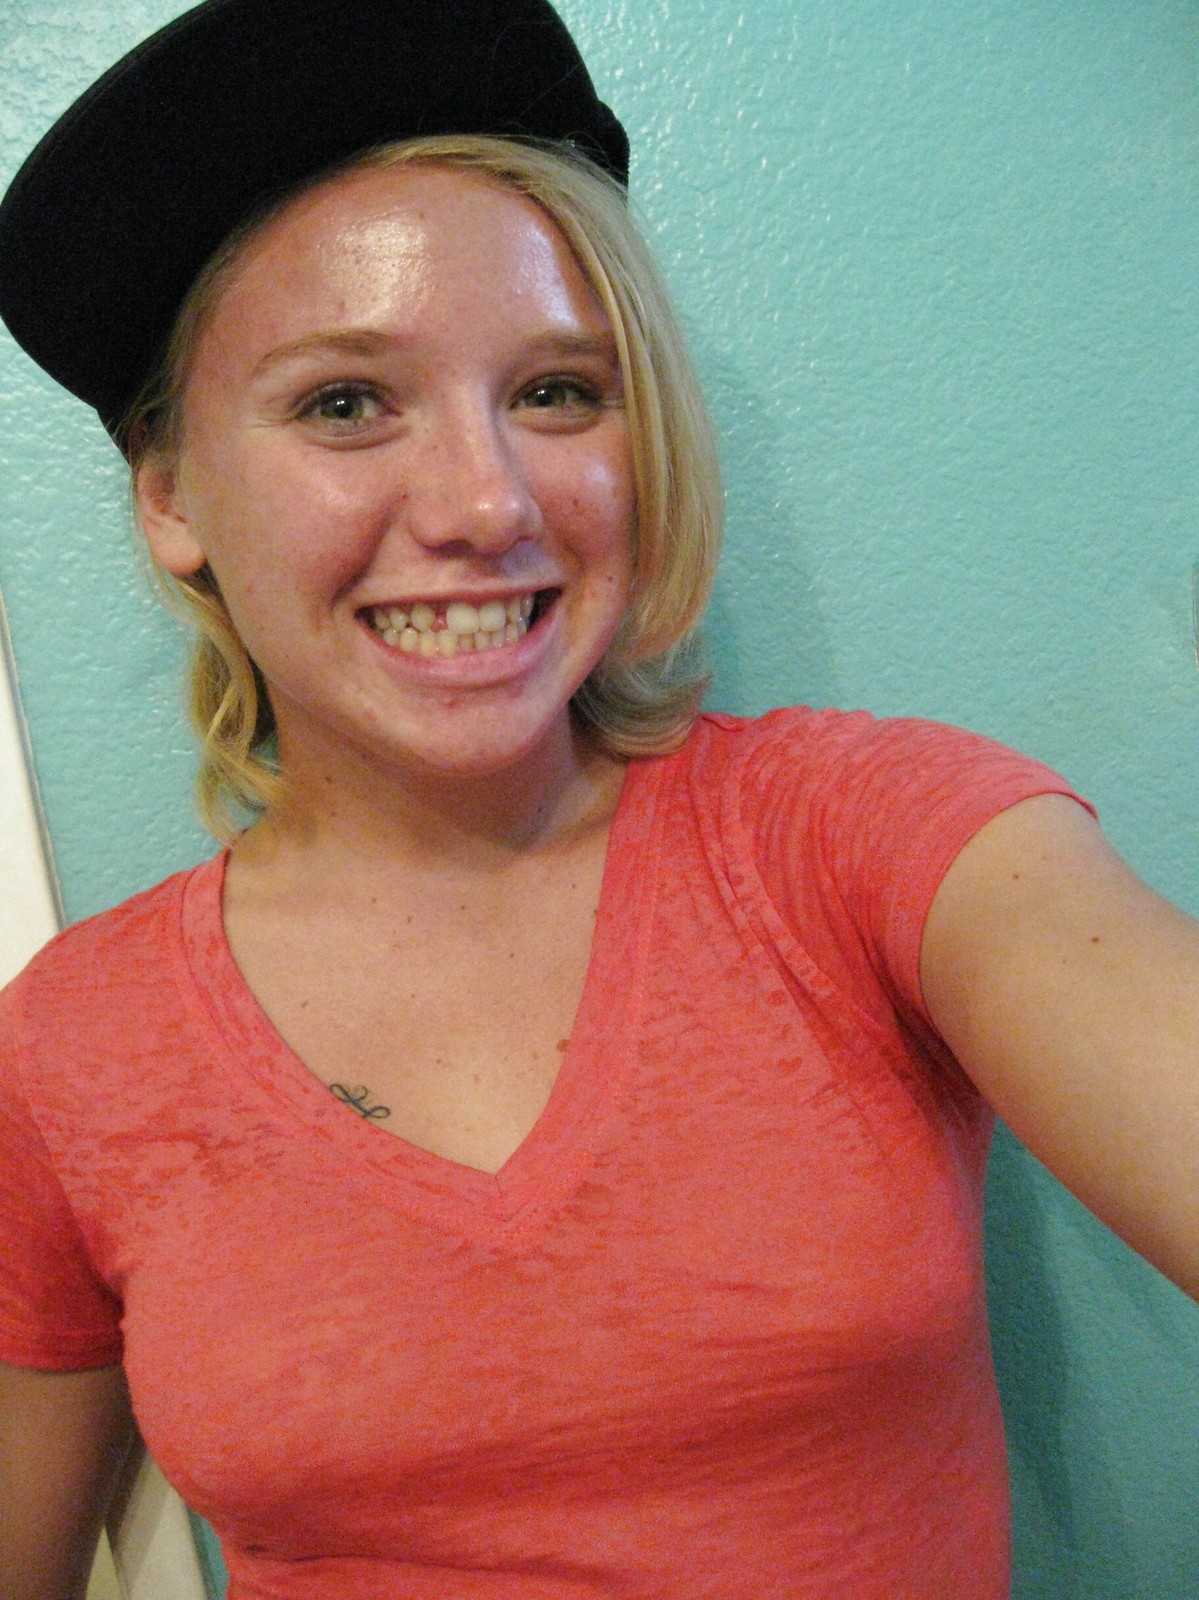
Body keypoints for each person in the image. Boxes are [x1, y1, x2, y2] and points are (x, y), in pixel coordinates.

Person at [0, 1, 1195, 1597]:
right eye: (346, 402)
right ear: (170, 496)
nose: (486, 502)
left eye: (559, 392)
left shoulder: (868, 842)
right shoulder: (68, 1051)